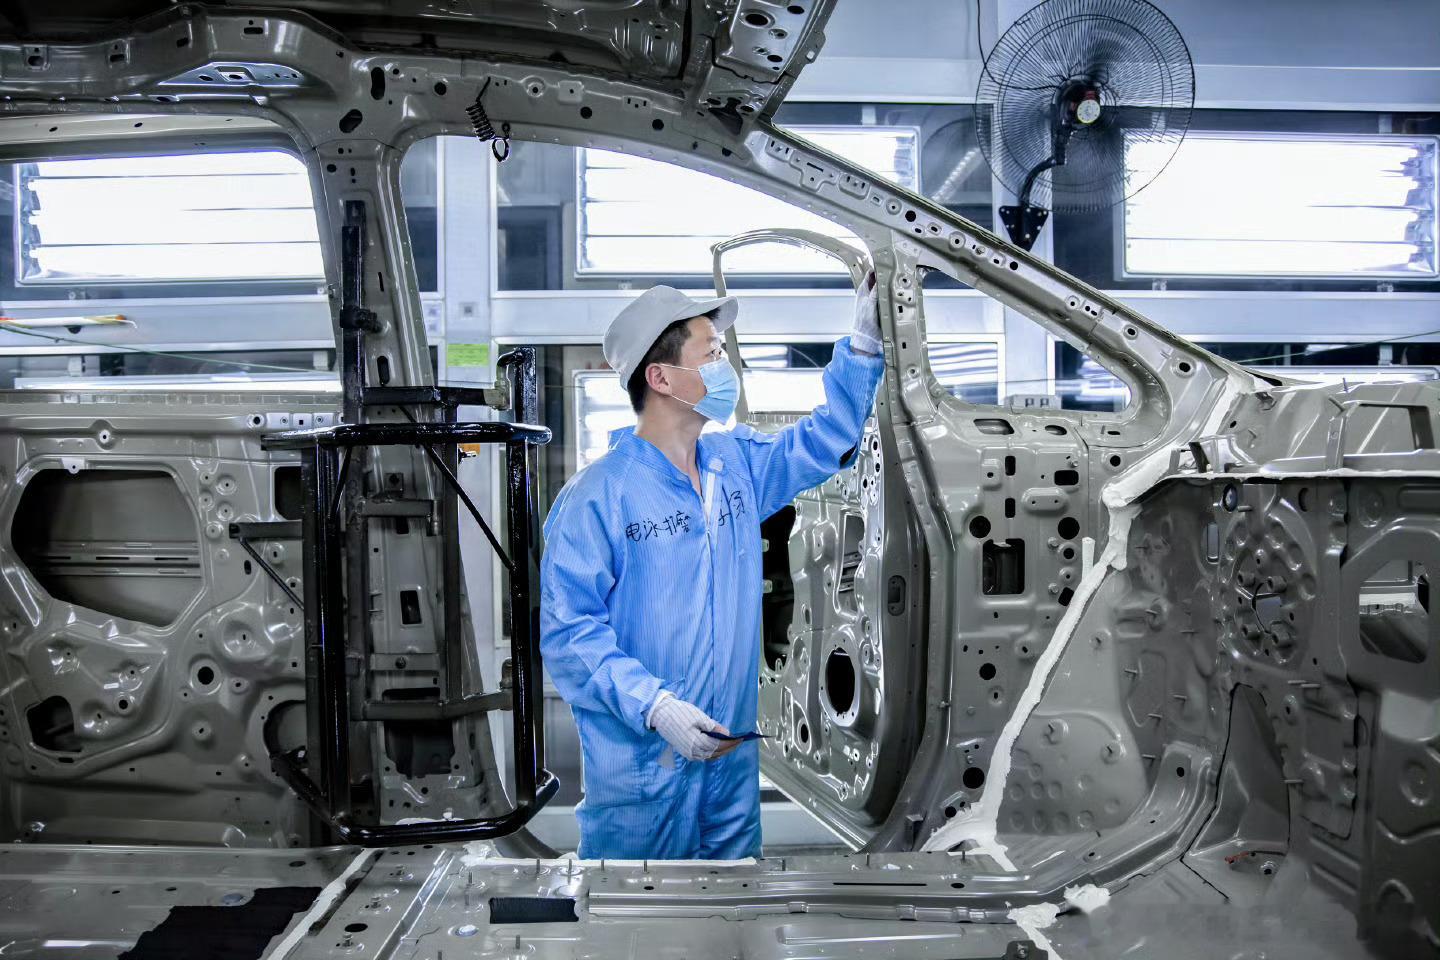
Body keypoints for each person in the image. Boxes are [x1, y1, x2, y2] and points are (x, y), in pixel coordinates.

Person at [539, 278, 885, 859]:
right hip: (643, 780)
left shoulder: (734, 466)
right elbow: (568, 635)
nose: (727, 368)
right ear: (661, 378)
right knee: (638, 914)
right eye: (713, 353)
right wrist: (655, 706)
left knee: (734, 908)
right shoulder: (598, 496)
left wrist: (864, 345)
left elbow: (828, 438)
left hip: (730, 773)